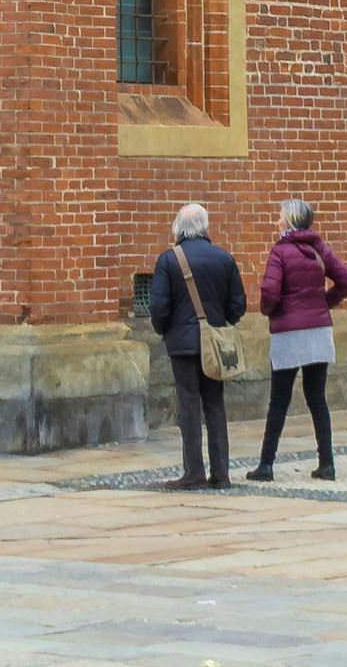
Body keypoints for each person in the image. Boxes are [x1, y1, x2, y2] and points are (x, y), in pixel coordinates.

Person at [140, 202, 248, 488]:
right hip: (215, 344)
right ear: (205, 226)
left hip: (183, 345)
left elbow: (159, 306)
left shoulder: (169, 260)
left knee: (188, 406)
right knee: (215, 405)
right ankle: (221, 474)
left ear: (178, 228)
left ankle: (194, 473)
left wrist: (165, 330)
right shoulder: (224, 259)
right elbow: (238, 305)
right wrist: (219, 324)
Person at [246, 198, 347, 482]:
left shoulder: (280, 251)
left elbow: (270, 293)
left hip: (289, 333)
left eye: (280, 216)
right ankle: (327, 463)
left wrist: (270, 312)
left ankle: (266, 465)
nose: (277, 221)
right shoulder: (319, 249)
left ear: (290, 221)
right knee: (317, 398)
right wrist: (324, 303)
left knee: (279, 400)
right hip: (318, 332)